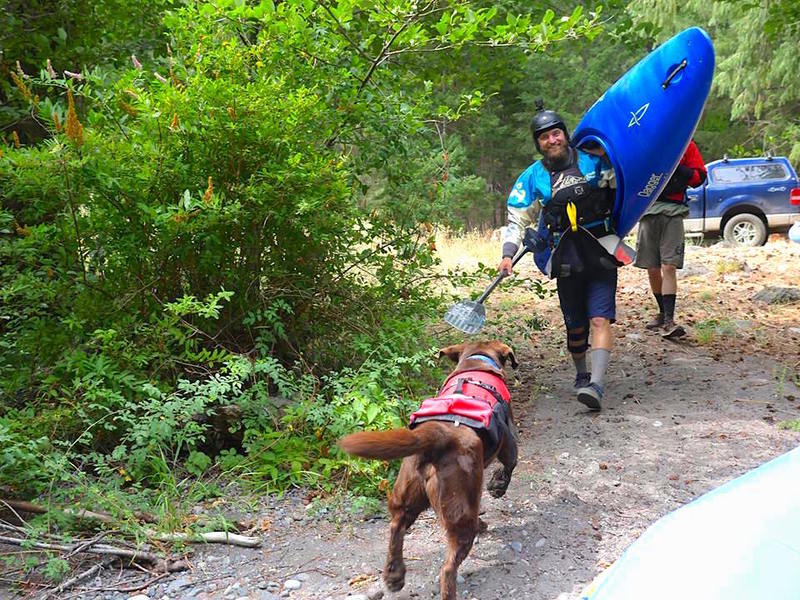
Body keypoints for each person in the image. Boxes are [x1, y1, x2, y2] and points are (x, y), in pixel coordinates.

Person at [498, 101, 618, 410]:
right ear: (538, 144)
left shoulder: (594, 162)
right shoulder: (532, 177)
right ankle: (581, 373)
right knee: (576, 327)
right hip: (565, 257)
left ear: (565, 134)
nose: (553, 140)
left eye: (557, 133)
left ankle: (597, 385)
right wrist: (508, 253)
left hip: (600, 249)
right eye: (545, 137)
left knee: (600, 318)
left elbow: (623, 185)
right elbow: (517, 219)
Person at [634, 140, 706, 338]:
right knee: (652, 268)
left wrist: (676, 165)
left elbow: (698, 178)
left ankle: (669, 321)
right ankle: (662, 312)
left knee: (669, 266)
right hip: (648, 212)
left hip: (673, 212)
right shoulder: (648, 142)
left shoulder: (686, 144)